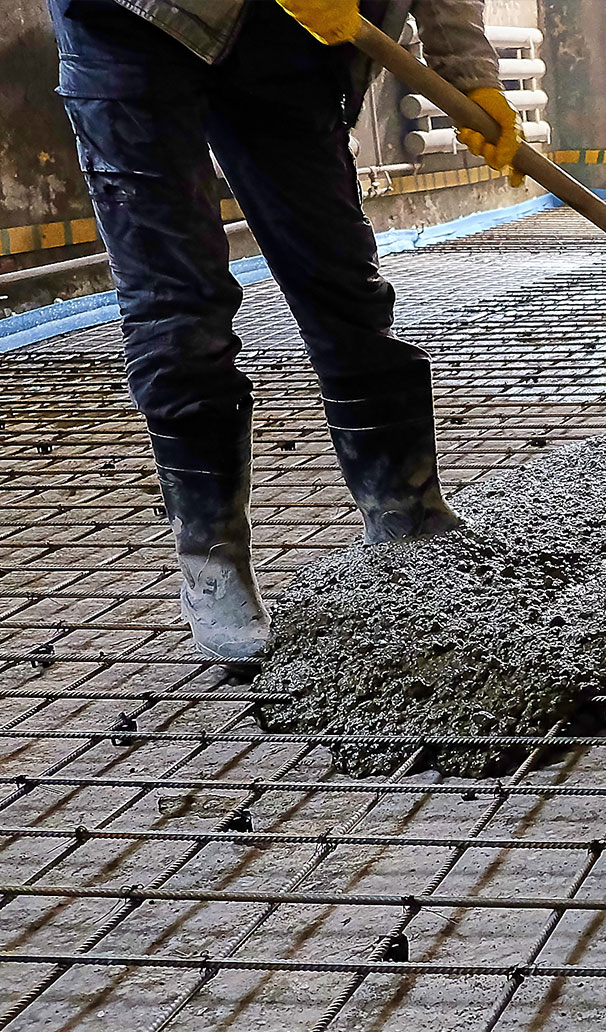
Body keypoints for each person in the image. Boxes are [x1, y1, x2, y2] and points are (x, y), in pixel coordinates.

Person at [47, 0, 524, 660]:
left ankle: (405, 512)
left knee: (339, 276)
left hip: (288, 31)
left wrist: (469, 71)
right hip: (131, 26)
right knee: (178, 301)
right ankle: (213, 565)